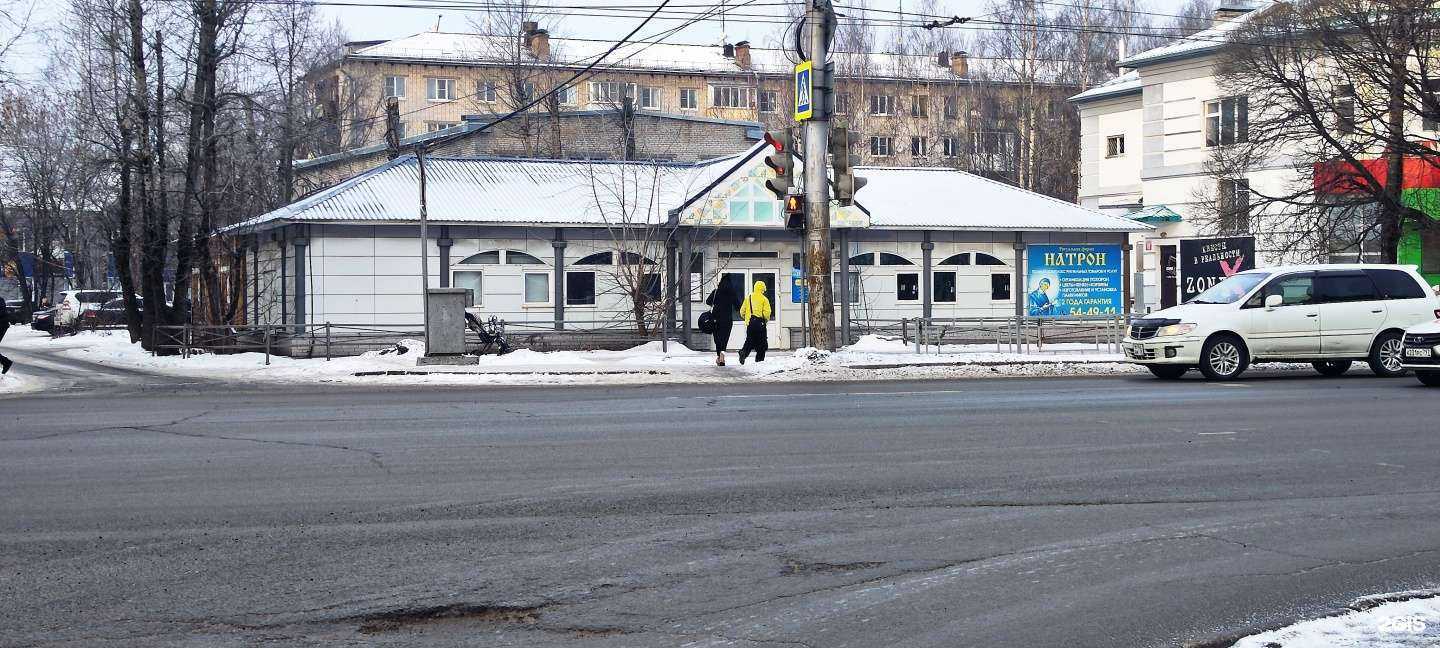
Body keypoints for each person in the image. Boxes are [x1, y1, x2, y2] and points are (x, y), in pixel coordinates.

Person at [704, 279, 740, 366]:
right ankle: (722, 357)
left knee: (718, 339)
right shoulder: (732, 293)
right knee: (724, 339)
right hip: (727, 320)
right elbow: (738, 306)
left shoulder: (716, 292)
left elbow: (708, 301)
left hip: (716, 320)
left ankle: (719, 356)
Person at [738, 280, 772, 364]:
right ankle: (759, 360)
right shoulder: (764, 299)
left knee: (749, 341)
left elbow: (742, 311)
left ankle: (743, 352)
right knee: (762, 343)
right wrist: (765, 320)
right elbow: (767, 313)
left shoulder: (748, 298)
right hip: (760, 324)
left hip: (750, 323)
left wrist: (747, 319)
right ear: (763, 288)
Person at [0, 297, 12, 374]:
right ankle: (5, 362)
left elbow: (1, 313)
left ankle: (6, 362)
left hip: (1, 325)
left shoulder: (0, 300)